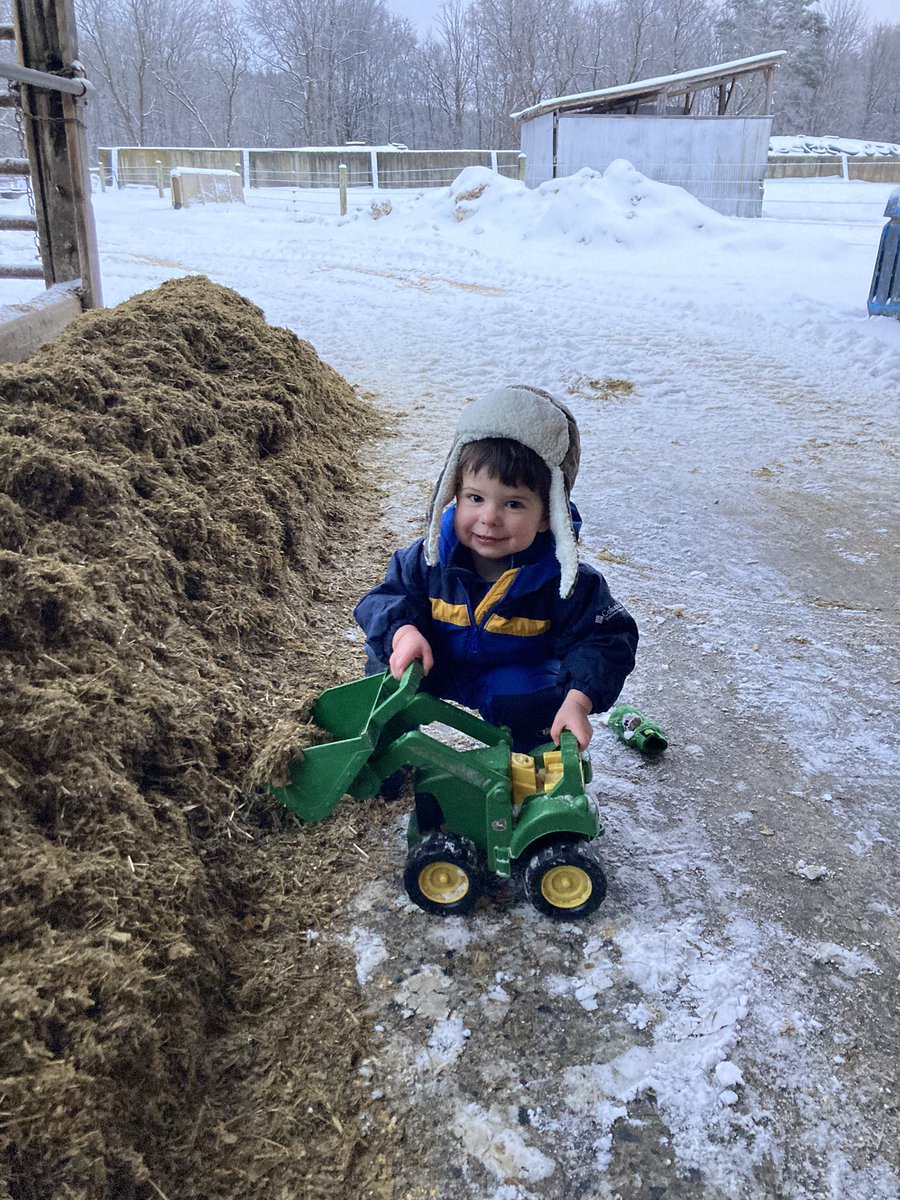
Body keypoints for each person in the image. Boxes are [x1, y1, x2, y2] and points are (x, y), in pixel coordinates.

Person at [354, 384, 638, 756]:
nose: (489, 518)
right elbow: (384, 598)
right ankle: (387, 754)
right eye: (475, 498)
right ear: (453, 493)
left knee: (535, 698)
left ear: (547, 516)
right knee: (386, 666)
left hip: (512, 678)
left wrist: (579, 700)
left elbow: (607, 639)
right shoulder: (429, 558)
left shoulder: (566, 583)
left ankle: (529, 758)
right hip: (435, 660)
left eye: (514, 504)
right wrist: (404, 632)